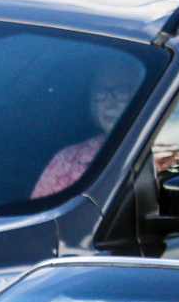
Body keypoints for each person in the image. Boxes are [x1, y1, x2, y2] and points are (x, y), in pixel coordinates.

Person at [31, 59, 142, 198]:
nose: (109, 104)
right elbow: (44, 215)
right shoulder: (68, 160)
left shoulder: (163, 152)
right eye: (101, 91)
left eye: (121, 91)